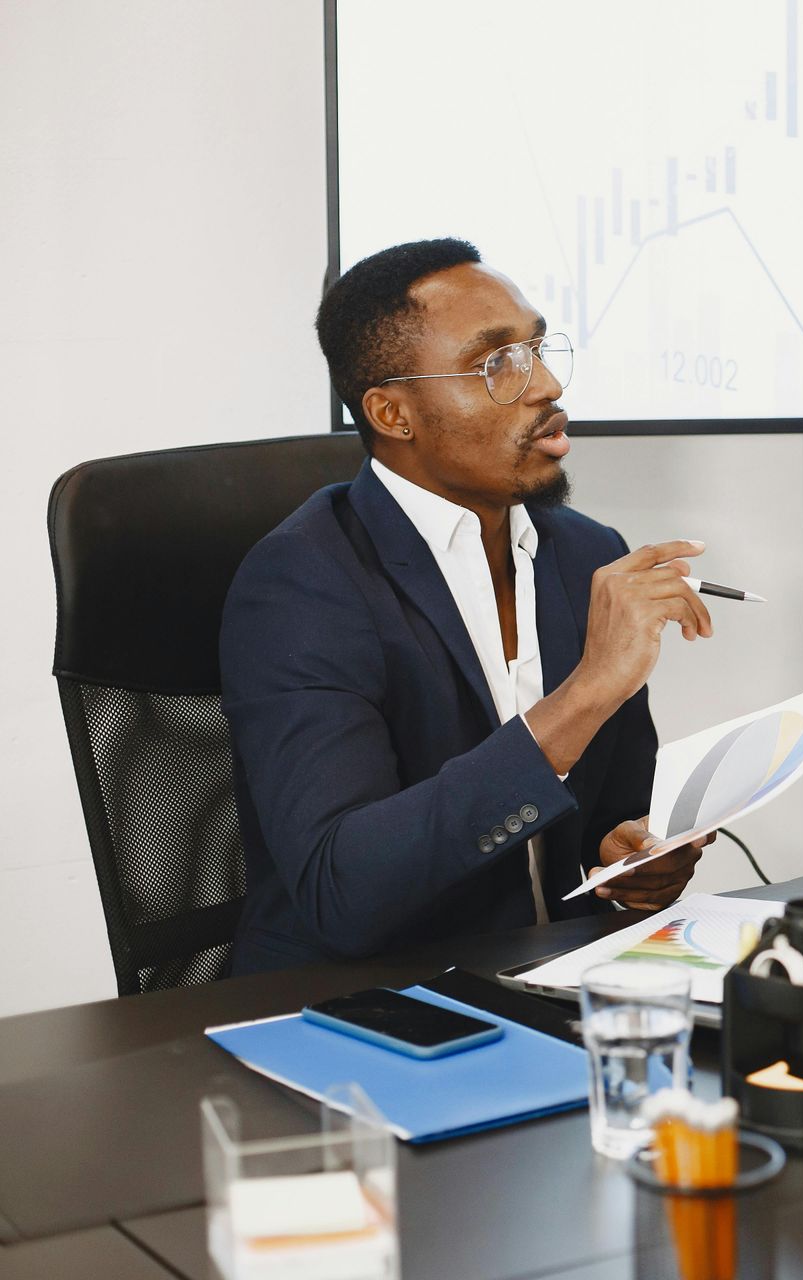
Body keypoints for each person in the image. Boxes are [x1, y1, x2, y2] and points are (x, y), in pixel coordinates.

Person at [222, 238, 712, 974]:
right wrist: (585, 693)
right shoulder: (301, 585)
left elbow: (606, 814)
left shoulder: (584, 553)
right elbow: (342, 891)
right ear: (394, 412)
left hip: (554, 973)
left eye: (539, 349)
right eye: (497, 364)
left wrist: (627, 857)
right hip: (372, 1003)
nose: (545, 383)